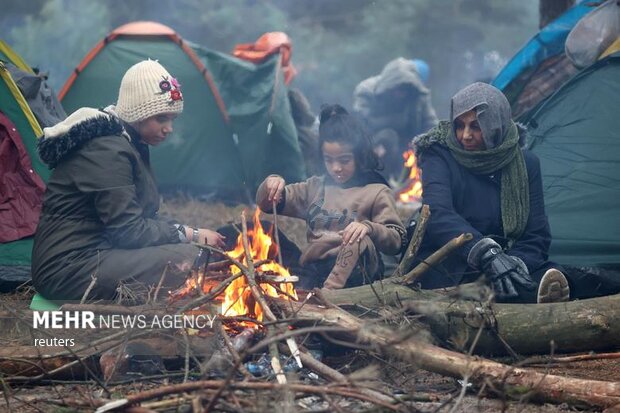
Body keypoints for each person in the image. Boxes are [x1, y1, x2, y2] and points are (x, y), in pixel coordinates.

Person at [32, 60, 226, 302]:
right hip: (67, 268)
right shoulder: (107, 150)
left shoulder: (127, 142)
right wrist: (191, 234)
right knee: (188, 258)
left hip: (99, 251)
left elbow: (141, 217)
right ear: (139, 113)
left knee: (192, 254)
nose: (169, 129)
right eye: (162, 118)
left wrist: (188, 233)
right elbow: (129, 231)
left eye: (172, 120)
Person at [410, 82, 570, 304]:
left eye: (476, 126)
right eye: (460, 125)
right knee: (474, 291)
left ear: (495, 125)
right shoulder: (437, 154)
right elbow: (438, 214)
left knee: (561, 276)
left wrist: (514, 265)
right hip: (449, 260)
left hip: (506, 259)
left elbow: (537, 234)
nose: (465, 135)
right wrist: (486, 254)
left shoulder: (525, 163)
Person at [256, 104, 406, 289]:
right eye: (329, 160)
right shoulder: (315, 187)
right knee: (262, 229)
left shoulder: (376, 192)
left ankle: (330, 295)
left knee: (357, 240)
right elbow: (267, 204)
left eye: (344, 160)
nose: (336, 168)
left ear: (358, 156)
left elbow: (396, 240)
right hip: (314, 269)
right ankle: (309, 290)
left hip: (357, 273)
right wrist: (272, 184)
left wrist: (369, 228)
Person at [353, 57, 438, 181]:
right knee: (388, 137)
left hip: (408, 145)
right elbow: (359, 123)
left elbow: (429, 123)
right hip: (374, 145)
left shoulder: (419, 97)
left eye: (404, 90)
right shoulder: (367, 91)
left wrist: (429, 144)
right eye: (397, 89)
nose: (400, 94)